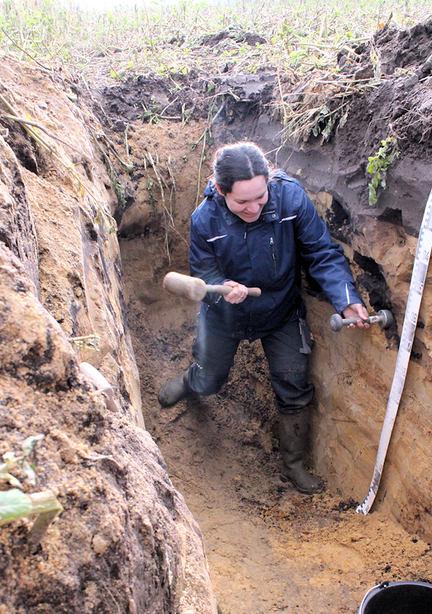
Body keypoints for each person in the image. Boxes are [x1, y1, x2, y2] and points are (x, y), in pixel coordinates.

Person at [158, 142, 368, 494]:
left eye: (261, 196)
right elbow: (203, 272)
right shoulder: (204, 220)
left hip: (280, 312)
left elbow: (322, 253)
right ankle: (193, 380)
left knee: (293, 384)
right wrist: (222, 286)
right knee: (211, 380)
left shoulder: (290, 200)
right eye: (242, 202)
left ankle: (293, 464)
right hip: (224, 316)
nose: (254, 207)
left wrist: (346, 300)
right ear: (221, 190)